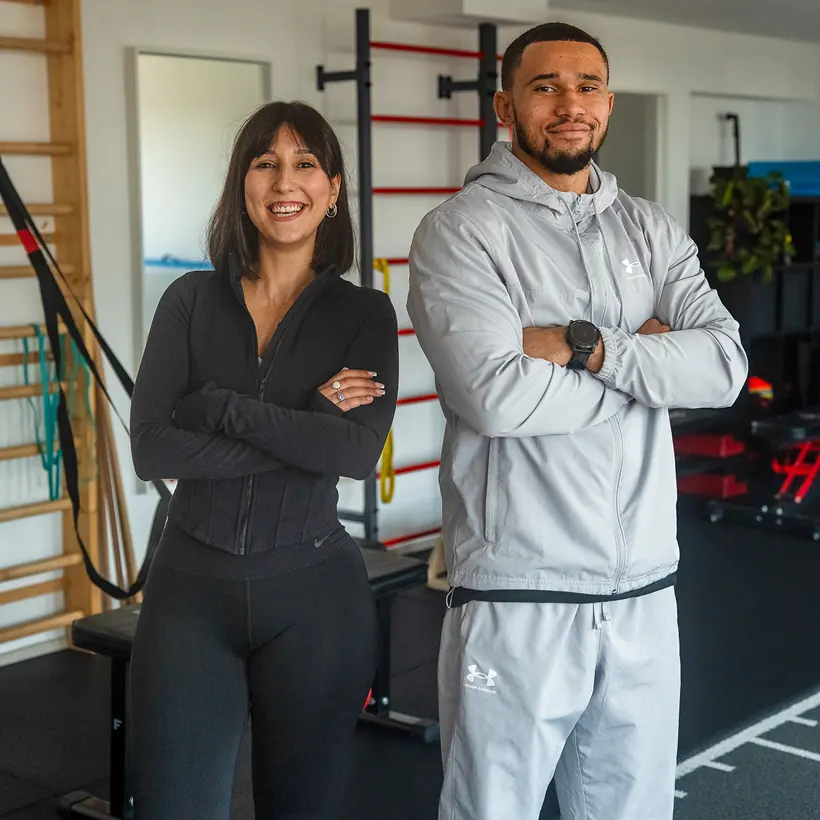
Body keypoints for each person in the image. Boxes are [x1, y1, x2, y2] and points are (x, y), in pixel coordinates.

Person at [407, 21, 748, 820]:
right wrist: (653, 370)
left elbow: (726, 367)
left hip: (643, 592)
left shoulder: (651, 228)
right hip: (518, 592)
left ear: (609, 102)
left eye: (587, 86)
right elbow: (494, 395)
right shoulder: (461, 231)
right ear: (504, 104)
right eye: (546, 86)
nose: (570, 104)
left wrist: (583, 348)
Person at [128, 100, 398, 820]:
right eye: (265, 162)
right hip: (189, 595)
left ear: (333, 188)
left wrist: (218, 407)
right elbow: (151, 446)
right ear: (241, 184)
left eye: (306, 163)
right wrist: (302, 428)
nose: (286, 181)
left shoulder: (363, 316)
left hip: (314, 601)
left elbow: (353, 453)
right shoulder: (188, 300)